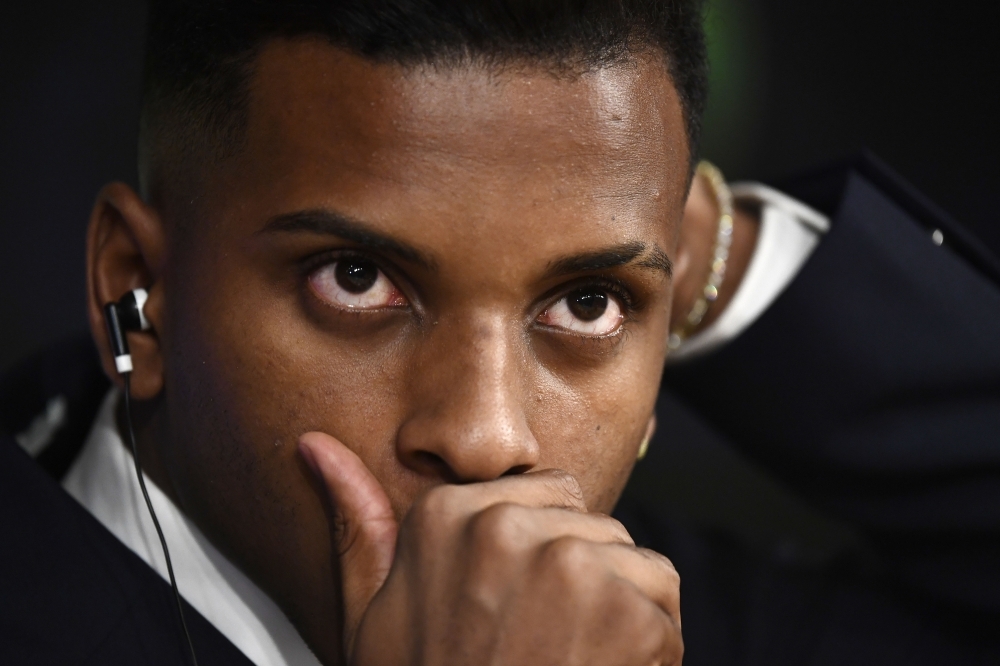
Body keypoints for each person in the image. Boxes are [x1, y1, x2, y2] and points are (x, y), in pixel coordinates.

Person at [1, 2, 998, 665]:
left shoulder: (665, 622)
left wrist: (707, 253)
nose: (485, 440)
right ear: (137, 294)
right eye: (356, 280)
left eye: (588, 303)